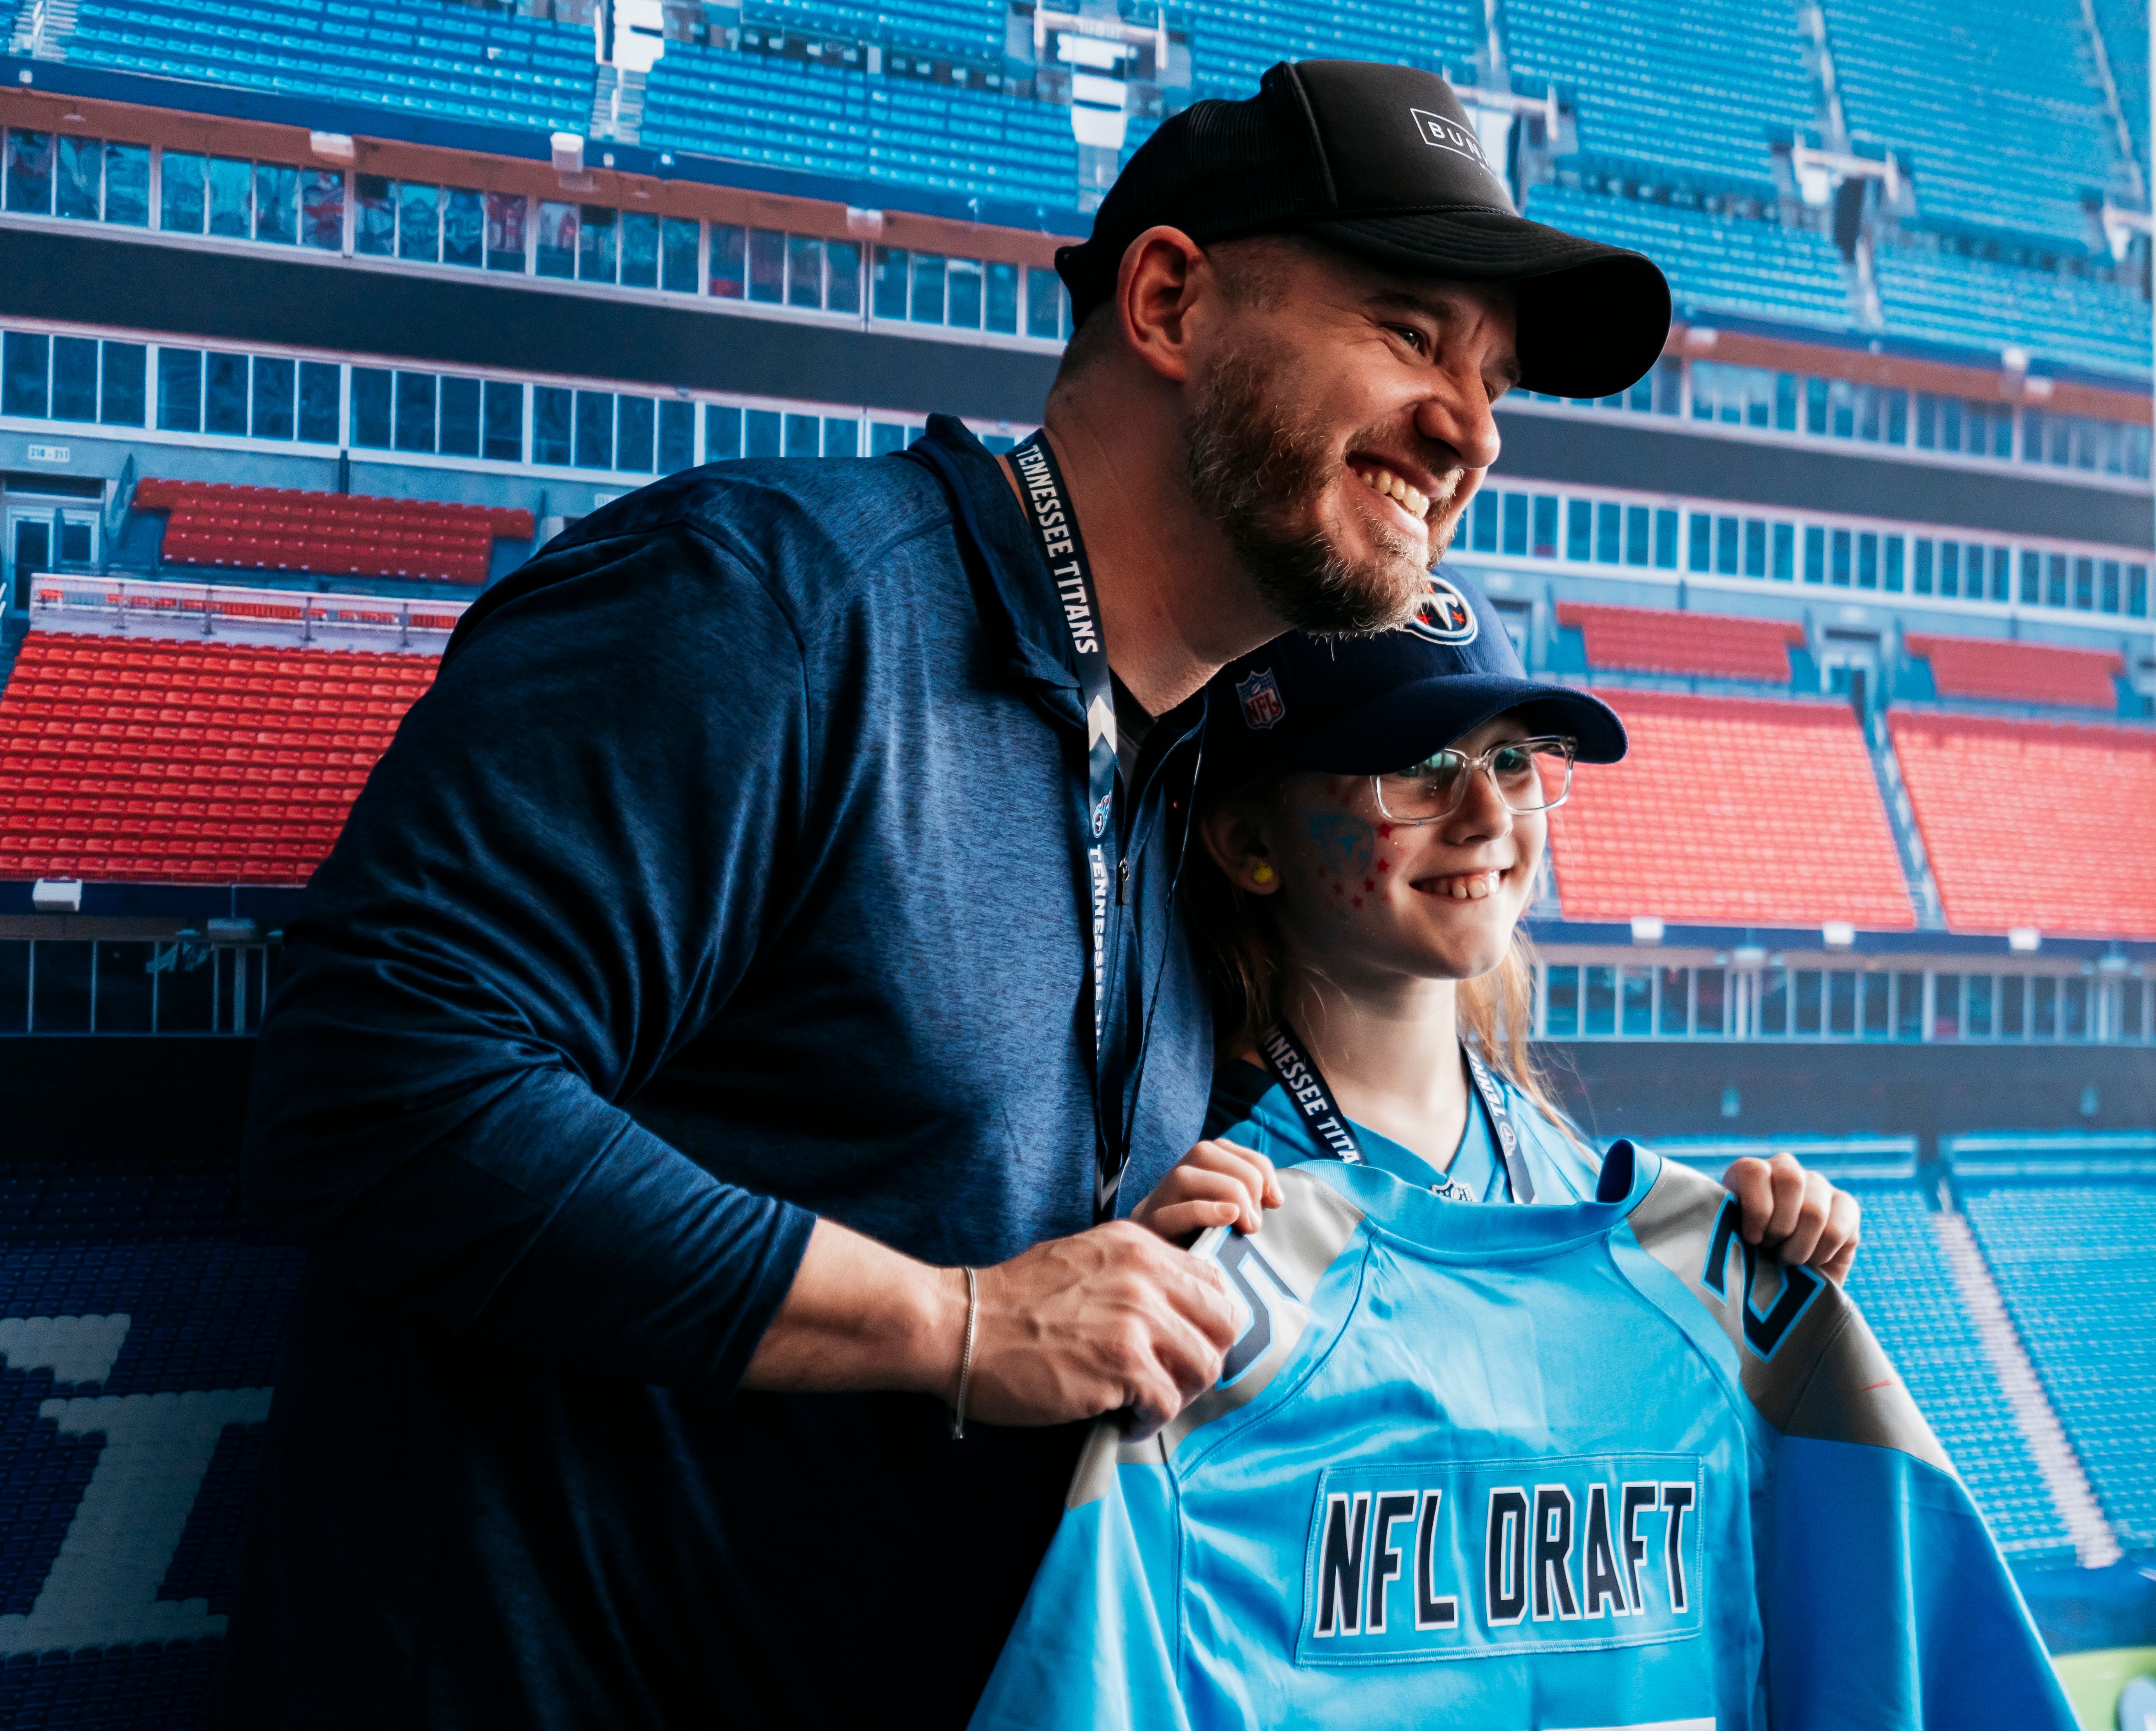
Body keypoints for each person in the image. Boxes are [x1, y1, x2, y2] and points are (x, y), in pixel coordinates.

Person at [222, 61, 1674, 1730]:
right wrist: (955, 1319)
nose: (1470, 431)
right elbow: (371, 1082)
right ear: (1168, 299)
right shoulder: (779, 600)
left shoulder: (1175, 776)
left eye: (1494, 382)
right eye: (1409, 334)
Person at [1128, 572, 1861, 1280]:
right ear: (1253, 844)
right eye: (1420, 767)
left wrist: (1757, 1267)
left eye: (1510, 760)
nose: (1490, 816)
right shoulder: (1198, 1197)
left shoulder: (1569, 1172)